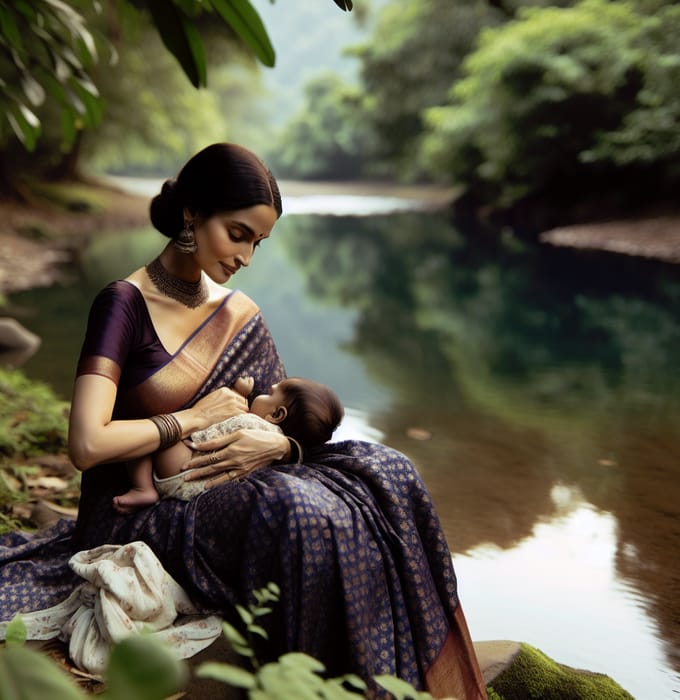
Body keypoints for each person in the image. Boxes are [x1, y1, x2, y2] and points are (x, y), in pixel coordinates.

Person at [0, 143, 487, 699]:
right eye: (238, 234)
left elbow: (282, 421)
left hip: (222, 486)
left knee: (389, 467)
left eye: (258, 242)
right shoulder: (124, 304)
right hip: (140, 509)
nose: (247, 257)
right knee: (295, 508)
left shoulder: (239, 312)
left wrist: (284, 451)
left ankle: (400, 681)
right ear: (193, 213)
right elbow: (86, 446)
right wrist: (188, 419)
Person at [113, 376, 344, 510]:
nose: (261, 393)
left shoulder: (253, 425)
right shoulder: (276, 454)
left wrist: (237, 391)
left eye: (269, 393)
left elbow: (211, 431)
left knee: (148, 433)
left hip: (182, 468)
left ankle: (143, 487)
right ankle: (146, 490)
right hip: (199, 491)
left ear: (276, 415)